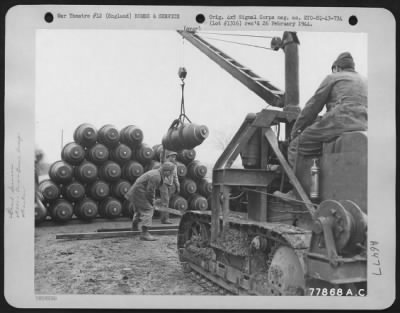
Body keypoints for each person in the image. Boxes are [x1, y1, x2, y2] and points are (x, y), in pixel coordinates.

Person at [274, 52, 368, 201]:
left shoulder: (333, 78)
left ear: (336, 67)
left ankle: (298, 193)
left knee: (297, 146)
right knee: (318, 147)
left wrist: (296, 130)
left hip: (341, 120)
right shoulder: (364, 81)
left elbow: (313, 107)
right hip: (364, 124)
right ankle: (318, 187)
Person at [125, 162, 175, 241]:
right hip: (140, 192)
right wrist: (152, 202)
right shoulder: (156, 176)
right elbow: (150, 191)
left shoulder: (156, 173)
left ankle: (134, 228)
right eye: (171, 172)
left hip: (136, 192)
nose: (171, 174)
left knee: (139, 210)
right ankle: (144, 233)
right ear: (167, 171)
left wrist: (153, 201)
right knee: (148, 209)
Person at [158, 149, 180, 224]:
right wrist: (164, 148)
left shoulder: (175, 166)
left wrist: (178, 186)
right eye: (172, 156)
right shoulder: (164, 163)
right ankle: (165, 219)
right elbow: (162, 157)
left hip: (170, 185)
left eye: (175, 157)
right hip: (163, 184)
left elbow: (175, 177)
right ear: (168, 157)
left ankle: (164, 217)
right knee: (165, 201)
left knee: (166, 202)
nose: (174, 158)